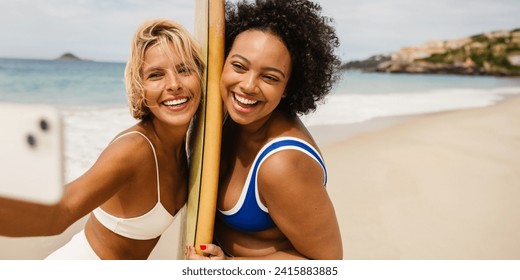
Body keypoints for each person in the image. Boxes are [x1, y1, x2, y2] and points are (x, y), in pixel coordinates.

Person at [0, 19, 204, 259]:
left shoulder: (188, 144)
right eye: (156, 75)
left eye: (184, 70)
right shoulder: (134, 150)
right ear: (140, 88)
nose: (174, 85)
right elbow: (59, 213)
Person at [186, 0, 342, 260]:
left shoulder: (283, 163)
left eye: (269, 77)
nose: (248, 85)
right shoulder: (218, 117)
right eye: (239, 66)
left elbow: (328, 264)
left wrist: (230, 268)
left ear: (288, 88)